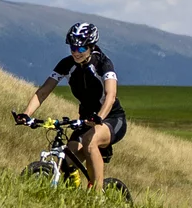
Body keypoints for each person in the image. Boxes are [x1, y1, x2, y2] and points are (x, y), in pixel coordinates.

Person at [14, 21, 126, 191]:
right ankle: (72, 191)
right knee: (67, 159)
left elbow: (110, 96)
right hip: (86, 119)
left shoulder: (102, 63)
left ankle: (98, 197)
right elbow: (44, 91)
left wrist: (99, 118)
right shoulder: (67, 64)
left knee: (89, 142)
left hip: (110, 118)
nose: (76, 52)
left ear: (91, 46)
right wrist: (26, 114)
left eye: (81, 49)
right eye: (72, 48)